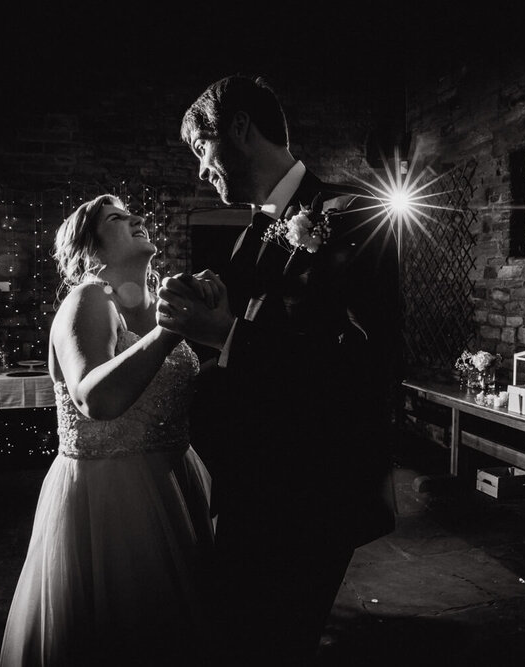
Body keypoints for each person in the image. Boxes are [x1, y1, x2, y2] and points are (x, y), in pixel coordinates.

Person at [157, 74, 400, 666]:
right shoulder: (253, 235)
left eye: (200, 151)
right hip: (253, 481)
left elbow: (369, 360)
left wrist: (228, 333)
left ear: (239, 129)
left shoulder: (352, 212)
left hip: (312, 486)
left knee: (272, 641)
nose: (200, 171)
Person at [0, 194, 215, 666]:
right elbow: (96, 398)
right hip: (111, 495)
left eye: (132, 212)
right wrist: (171, 330)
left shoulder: (158, 303)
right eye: (117, 218)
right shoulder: (89, 299)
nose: (136, 218)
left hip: (176, 477)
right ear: (91, 251)